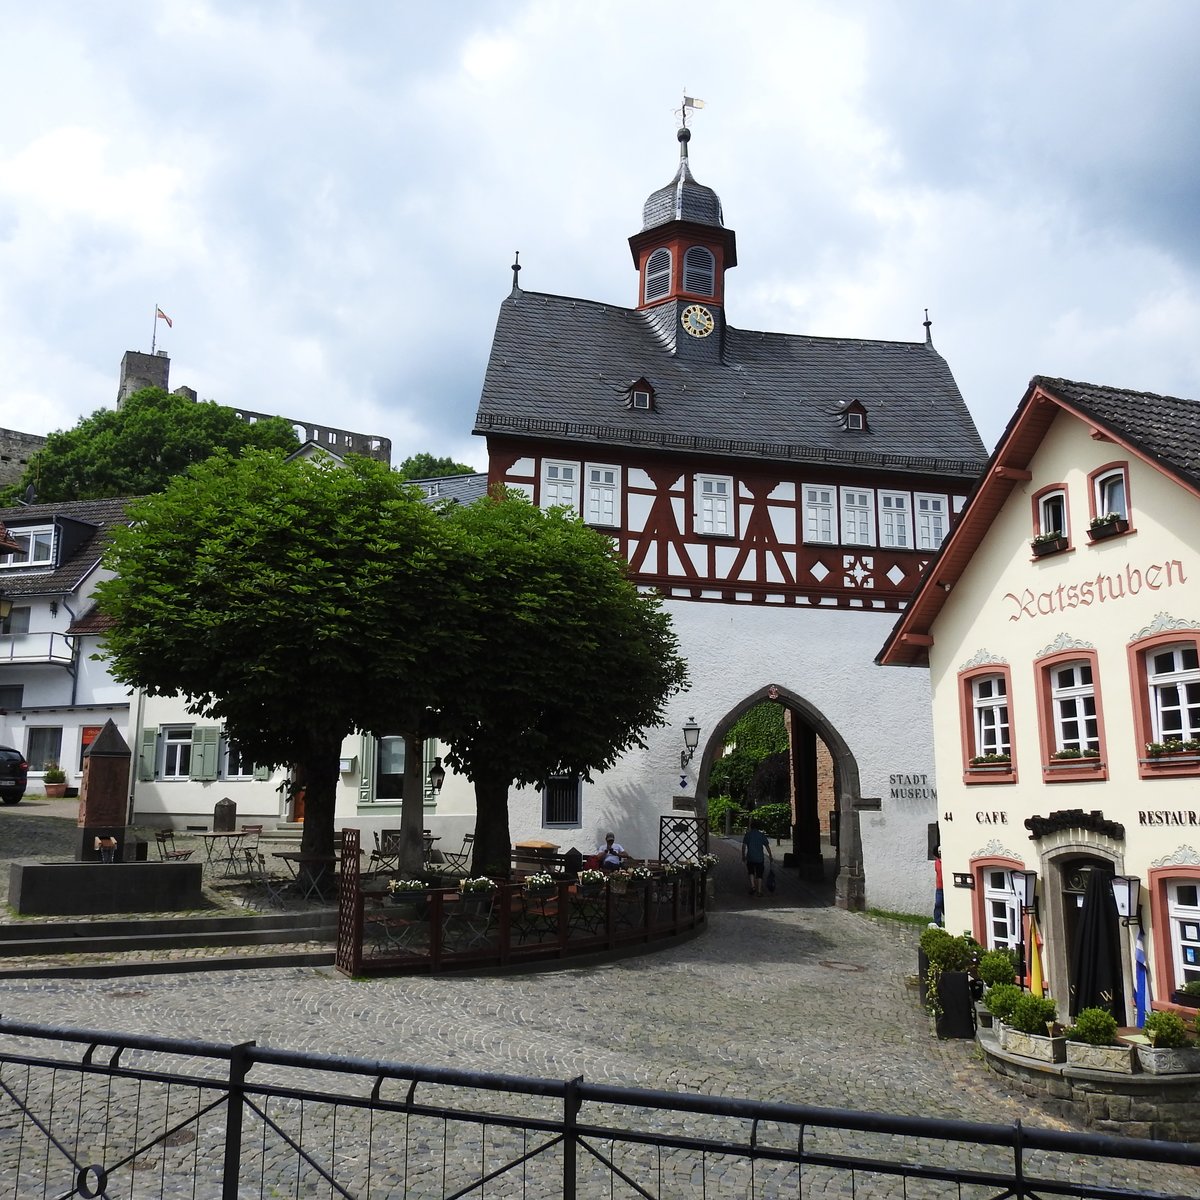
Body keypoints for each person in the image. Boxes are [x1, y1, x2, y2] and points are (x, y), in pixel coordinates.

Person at [741, 819, 773, 897]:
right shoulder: (761, 835)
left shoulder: (748, 835)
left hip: (750, 857)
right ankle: (759, 890)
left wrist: (743, 856)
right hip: (759, 857)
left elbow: (743, 846)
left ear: (751, 826)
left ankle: (753, 886)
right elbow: (767, 846)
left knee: (751, 872)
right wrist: (770, 855)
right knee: (759, 874)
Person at [933, 848, 945, 927]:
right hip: (939, 888)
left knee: (945, 907)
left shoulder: (946, 862)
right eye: (939, 852)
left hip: (946, 888)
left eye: (941, 851)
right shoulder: (937, 862)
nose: (940, 853)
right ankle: (937, 923)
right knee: (938, 904)